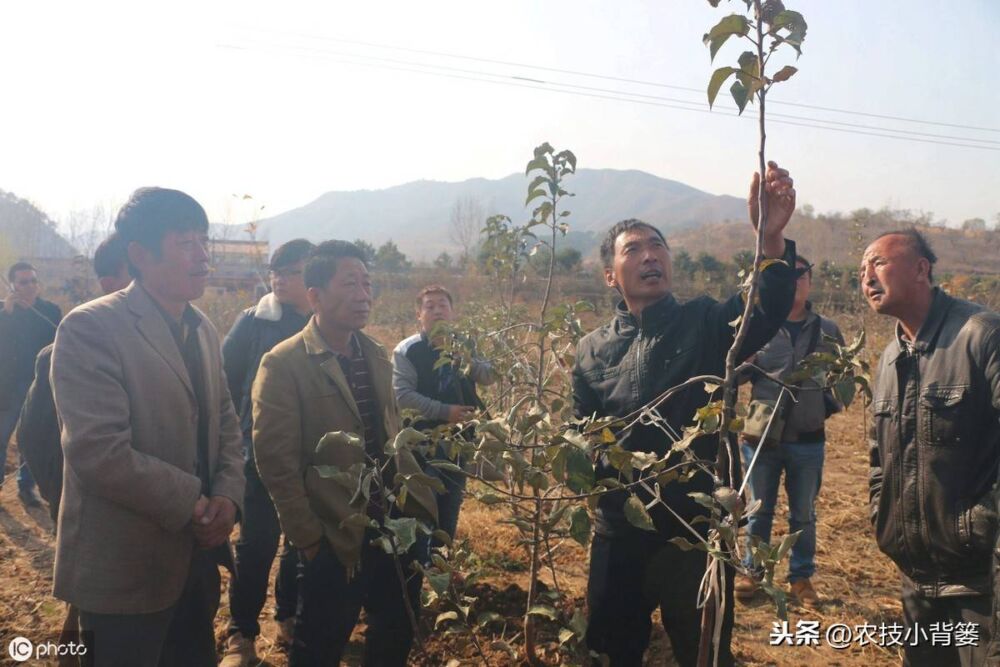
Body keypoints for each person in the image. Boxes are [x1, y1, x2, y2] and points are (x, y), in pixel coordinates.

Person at [572, 162, 798, 666]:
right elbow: (580, 433)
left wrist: (771, 241)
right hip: (620, 532)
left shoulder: (705, 321)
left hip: (694, 529)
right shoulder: (591, 351)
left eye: (658, 246)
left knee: (704, 652)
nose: (651, 255)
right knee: (609, 651)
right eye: (634, 249)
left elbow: (762, 310)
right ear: (611, 275)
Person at [50, 187, 245, 667]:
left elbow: (225, 420)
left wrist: (228, 496)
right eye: (186, 243)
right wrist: (195, 503)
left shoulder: (202, 327)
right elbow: (99, 452)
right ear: (140, 254)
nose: (203, 257)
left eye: (205, 242)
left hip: (195, 563)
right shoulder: (90, 328)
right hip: (124, 570)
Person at [252, 240, 437, 666]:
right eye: (350, 283)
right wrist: (310, 540)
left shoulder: (374, 353)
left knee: (394, 635)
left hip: (392, 528)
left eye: (367, 283)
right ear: (314, 295)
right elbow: (277, 465)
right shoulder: (283, 364)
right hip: (333, 536)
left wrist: (418, 511)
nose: (363, 294)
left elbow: (390, 435)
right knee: (318, 646)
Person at [863, 228, 1000, 666]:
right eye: (861, 269)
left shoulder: (981, 335)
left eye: (878, 262)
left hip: (981, 581)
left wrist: (982, 523)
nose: (866, 276)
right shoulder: (889, 357)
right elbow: (877, 458)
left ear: (921, 268)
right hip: (917, 580)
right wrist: (882, 518)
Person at [220, 238, 314, 667]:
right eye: (275, 272)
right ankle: (241, 634)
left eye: (289, 272)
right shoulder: (253, 322)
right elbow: (224, 380)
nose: (279, 280)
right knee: (257, 544)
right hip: (257, 453)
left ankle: (289, 618)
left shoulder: (324, 324)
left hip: (310, 455)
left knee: (301, 543)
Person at [733, 255, 844, 607]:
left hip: (809, 441)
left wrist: (823, 406)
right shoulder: (757, 325)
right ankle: (754, 573)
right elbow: (734, 377)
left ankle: (801, 579)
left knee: (803, 514)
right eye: (785, 275)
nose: (794, 281)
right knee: (758, 510)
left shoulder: (827, 329)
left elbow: (845, 380)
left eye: (801, 275)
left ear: (810, 281)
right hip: (761, 438)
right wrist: (743, 364)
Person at [18, 233, 131, 523]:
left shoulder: (50, 311)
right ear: (110, 283)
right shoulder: (63, 352)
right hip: (13, 388)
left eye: (33, 281)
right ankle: (23, 486)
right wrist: (61, 498)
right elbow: (34, 438)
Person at [392, 284, 495, 542]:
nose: (437, 311)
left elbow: (488, 376)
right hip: (422, 444)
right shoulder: (408, 350)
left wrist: (465, 358)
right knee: (422, 503)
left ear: (452, 312)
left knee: (451, 501)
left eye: (443, 305)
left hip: (460, 441)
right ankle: (419, 566)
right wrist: (444, 411)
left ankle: (442, 561)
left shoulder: (466, 344)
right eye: (430, 306)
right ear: (419, 314)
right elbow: (402, 396)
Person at [0, 260, 62, 506]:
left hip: (40, 384)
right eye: (23, 282)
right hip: (8, 387)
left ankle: (26, 487)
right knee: (2, 436)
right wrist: (9, 315)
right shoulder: (4, 313)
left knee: (34, 436)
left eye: (33, 281)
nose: (29, 286)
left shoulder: (51, 311)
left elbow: (59, 344)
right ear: (12, 286)